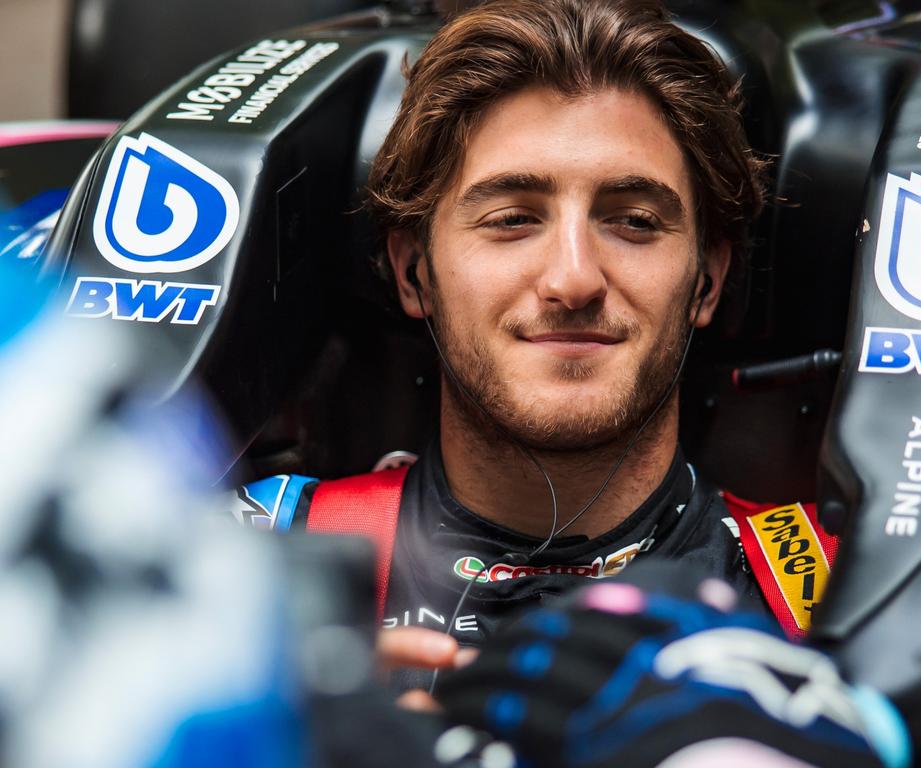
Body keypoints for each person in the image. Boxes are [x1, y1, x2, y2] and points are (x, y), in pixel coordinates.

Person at [232, 0, 834, 696]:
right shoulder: (248, 571)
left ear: (707, 281)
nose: (572, 278)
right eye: (512, 219)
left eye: (634, 222)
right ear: (413, 271)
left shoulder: (840, 591)